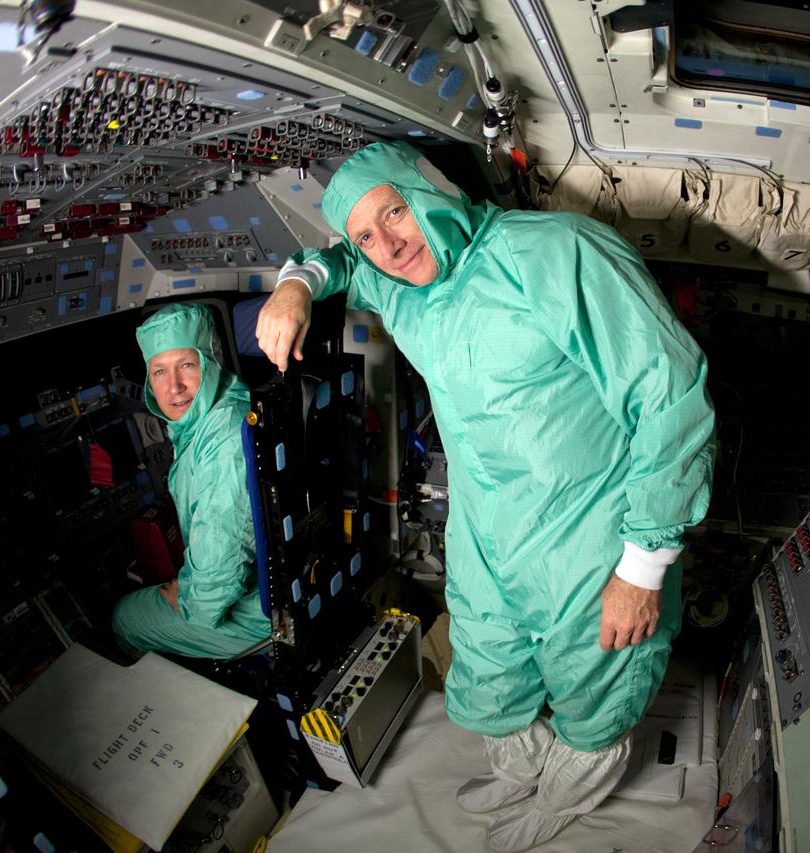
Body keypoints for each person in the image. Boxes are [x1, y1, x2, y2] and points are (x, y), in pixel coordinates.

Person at [257, 142, 714, 851]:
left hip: (586, 532)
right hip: (485, 529)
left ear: (429, 191)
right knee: (487, 667)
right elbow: (340, 261)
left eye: (395, 213)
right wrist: (295, 283)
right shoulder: (400, 282)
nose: (388, 246)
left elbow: (669, 394)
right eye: (368, 235)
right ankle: (523, 768)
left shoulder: (554, 252)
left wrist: (644, 566)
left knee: (596, 684)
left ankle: (564, 795)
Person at [112, 303, 271, 659]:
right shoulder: (224, 408)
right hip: (270, 590)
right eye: (159, 372)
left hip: (257, 616)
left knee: (125, 617)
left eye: (186, 365)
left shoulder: (223, 441)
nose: (174, 388)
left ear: (210, 361)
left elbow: (222, 562)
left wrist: (188, 601)